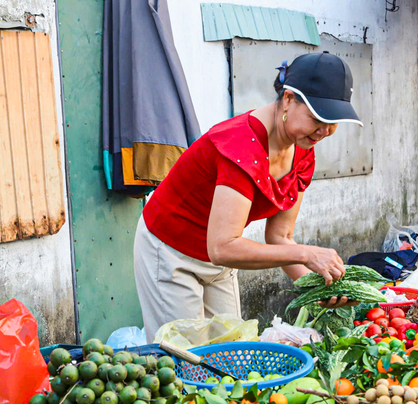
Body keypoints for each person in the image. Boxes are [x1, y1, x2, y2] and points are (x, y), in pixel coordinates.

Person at [134, 52, 363, 341]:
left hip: (218, 259)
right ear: (289, 99)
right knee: (186, 360)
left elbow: (280, 237)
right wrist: (307, 254)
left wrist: (318, 289)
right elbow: (223, 246)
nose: (326, 130)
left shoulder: (302, 147)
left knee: (231, 349)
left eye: (334, 120)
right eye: (318, 116)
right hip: (170, 251)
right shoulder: (243, 145)